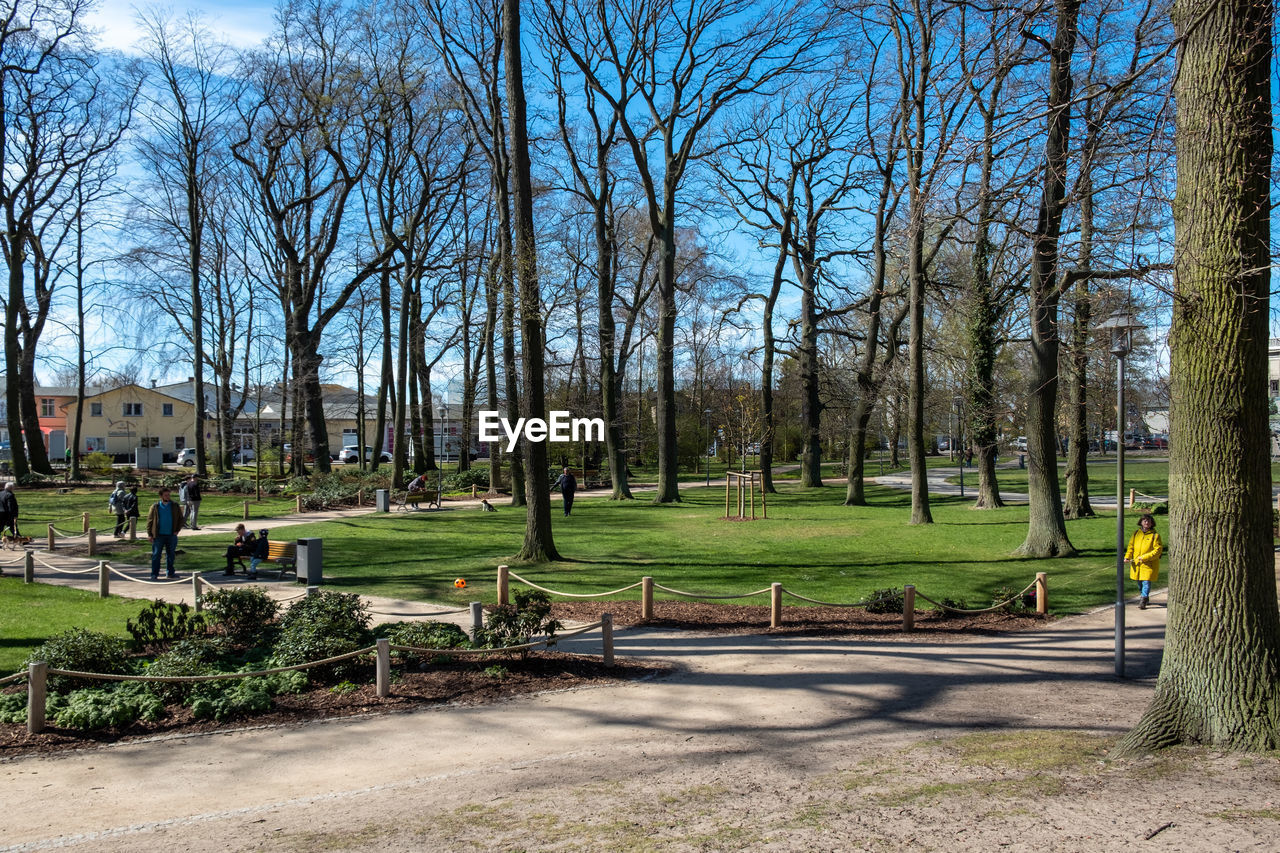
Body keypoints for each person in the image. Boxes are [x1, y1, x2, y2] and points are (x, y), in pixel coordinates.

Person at [1124, 513, 1163, 610]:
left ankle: (1143, 599)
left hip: (1148, 564)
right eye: (1144, 520)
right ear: (1141, 522)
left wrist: (1145, 557)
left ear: (1152, 523)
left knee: (1146, 582)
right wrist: (1127, 557)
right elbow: (1131, 547)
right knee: (1139, 582)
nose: (1147, 522)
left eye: (1149, 521)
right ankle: (1144, 595)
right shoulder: (1136, 534)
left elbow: (1157, 551)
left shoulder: (1155, 536)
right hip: (1136, 564)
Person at [147, 487, 185, 580]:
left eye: (169, 495)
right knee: (156, 555)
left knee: (171, 554)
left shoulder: (174, 505)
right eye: (166, 495)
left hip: (171, 535)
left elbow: (181, 519)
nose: (168, 497)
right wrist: (150, 534)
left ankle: (170, 573)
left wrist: (177, 530)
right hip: (158, 535)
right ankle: (154, 574)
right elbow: (150, 521)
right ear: (161, 496)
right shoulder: (155, 507)